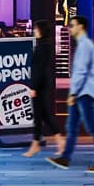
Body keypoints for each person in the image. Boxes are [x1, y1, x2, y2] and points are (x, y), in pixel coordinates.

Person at [47, 16, 94, 173]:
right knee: (72, 127)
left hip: (84, 94)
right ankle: (65, 158)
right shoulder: (84, 45)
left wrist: (73, 92)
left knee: (92, 126)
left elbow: (81, 72)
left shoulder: (85, 46)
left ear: (81, 27)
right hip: (81, 93)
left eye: (72, 25)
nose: (70, 28)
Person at [25, 21, 63, 159]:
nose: (34, 31)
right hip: (41, 85)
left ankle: (37, 145)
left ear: (41, 31)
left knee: (40, 116)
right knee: (43, 116)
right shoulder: (44, 46)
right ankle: (56, 142)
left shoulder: (42, 47)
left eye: (36, 29)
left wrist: (33, 87)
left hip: (39, 86)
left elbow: (38, 70)